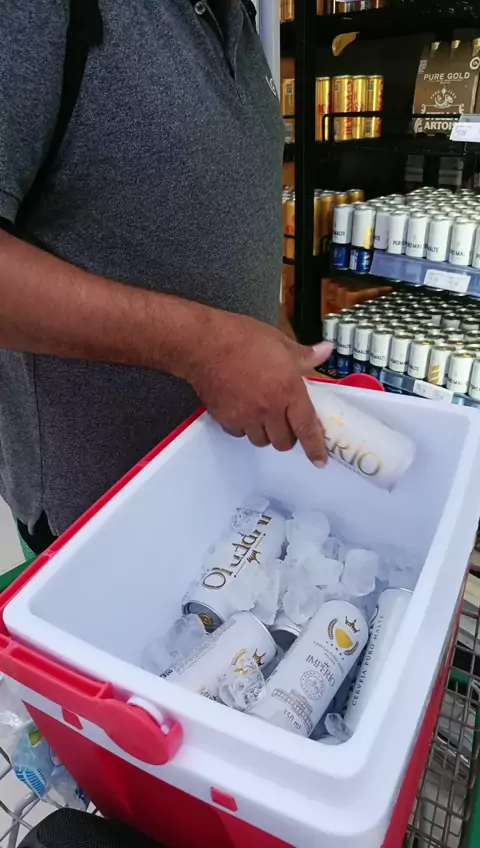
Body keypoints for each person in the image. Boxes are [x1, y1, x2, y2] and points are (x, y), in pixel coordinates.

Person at [0, 0, 331, 555]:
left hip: (229, 487)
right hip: (99, 514)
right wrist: (204, 347)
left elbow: (227, 219)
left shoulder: (239, 16)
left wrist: (279, 347)